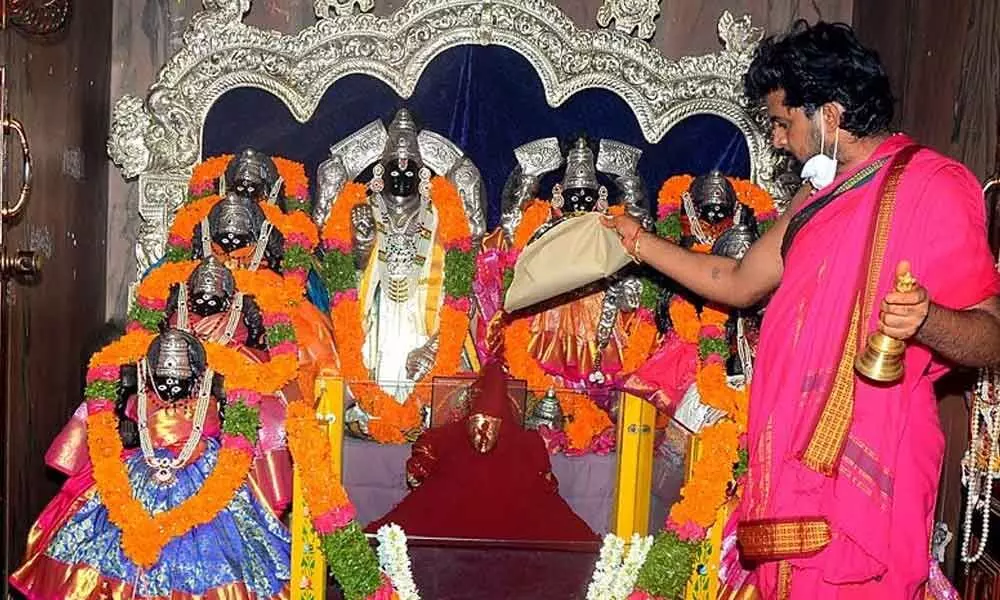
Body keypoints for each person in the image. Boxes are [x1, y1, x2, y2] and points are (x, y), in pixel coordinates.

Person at [605, 20, 1000, 599]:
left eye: (783, 123)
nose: (777, 140)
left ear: (829, 115)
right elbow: (737, 280)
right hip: (785, 466)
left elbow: (991, 335)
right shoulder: (815, 202)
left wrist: (927, 321)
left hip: (869, 478)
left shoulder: (933, 186)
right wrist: (637, 241)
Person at [365, 360, 597, 542]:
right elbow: (549, 484)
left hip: (442, 548)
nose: (483, 437)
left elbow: (415, 475)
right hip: (519, 551)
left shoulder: (442, 437)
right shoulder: (529, 442)